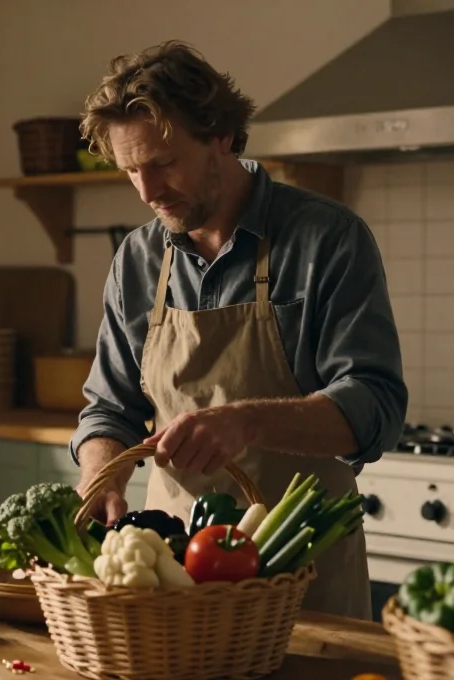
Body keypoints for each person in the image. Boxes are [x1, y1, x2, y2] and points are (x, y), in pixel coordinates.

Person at [69, 41, 407, 620]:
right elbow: (109, 408)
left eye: (164, 162)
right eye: (131, 171)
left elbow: (374, 408)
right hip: (166, 574)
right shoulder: (137, 260)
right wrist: (99, 473)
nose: (148, 191)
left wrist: (245, 420)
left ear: (221, 135)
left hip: (303, 576)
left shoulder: (327, 238)